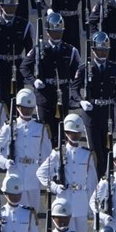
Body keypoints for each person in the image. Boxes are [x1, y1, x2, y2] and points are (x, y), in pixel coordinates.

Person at [71, 31, 116, 178]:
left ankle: (106, 179)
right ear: (93, 50)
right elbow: (74, 89)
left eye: (105, 50)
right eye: (99, 50)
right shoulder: (84, 68)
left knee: (107, 150)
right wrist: (81, 101)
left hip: (108, 114)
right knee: (95, 152)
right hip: (91, 115)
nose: (102, 53)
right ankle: (97, 180)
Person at [20, 12, 81, 142]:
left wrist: (73, 91)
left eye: (59, 31)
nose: (57, 34)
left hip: (62, 94)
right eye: (54, 31)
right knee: (45, 130)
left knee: (61, 131)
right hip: (44, 95)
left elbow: (78, 73)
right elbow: (24, 67)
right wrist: (34, 81)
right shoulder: (39, 49)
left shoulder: (70, 50)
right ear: (47, 32)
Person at [0, 88, 52, 211]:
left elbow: (47, 155)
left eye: (30, 108)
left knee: (33, 212)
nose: (27, 110)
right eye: (24, 107)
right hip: (15, 173)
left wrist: (47, 175)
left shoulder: (40, 128)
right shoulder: (9, 126)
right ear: (18, 107)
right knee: (16, 212)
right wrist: (4, 162)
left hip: (33, 175)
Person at [36, 113, 97, 232]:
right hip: (64, 198)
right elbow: (41, 173)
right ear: (66, 133)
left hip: (81, 200)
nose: (76, 135)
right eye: (72, 133)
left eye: (78, 133)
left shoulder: (87, 154)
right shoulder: (58, 153)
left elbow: (92, 182)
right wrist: (54, 187)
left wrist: (92, 206)